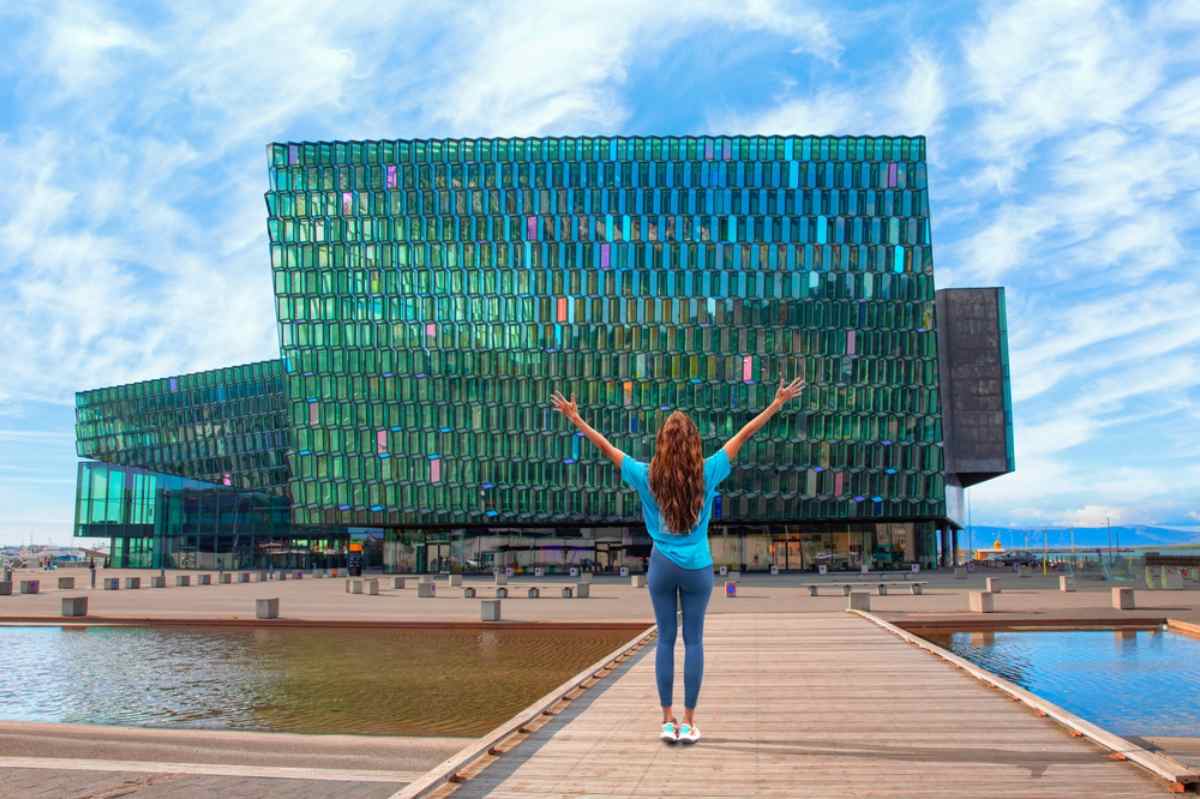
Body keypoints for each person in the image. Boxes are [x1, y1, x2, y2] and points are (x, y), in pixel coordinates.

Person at [551, 376, 805, 745]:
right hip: (698, 567)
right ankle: (689, 722)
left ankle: (667, 721)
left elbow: (607, 449)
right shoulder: (708, 470)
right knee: (695, 642)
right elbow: (745, 435)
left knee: (666, 641)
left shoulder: (646, 475)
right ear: (694, 443)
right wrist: (776, 403)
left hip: (661, 566)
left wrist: (576, 420)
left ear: (662, 443)